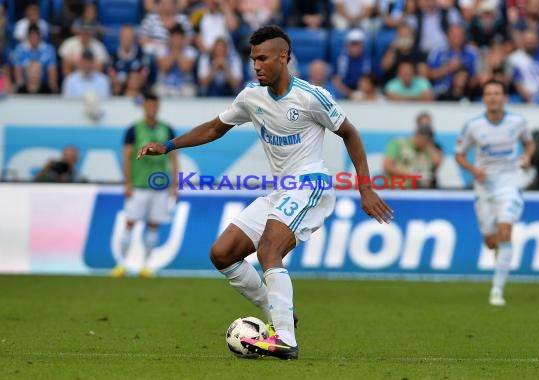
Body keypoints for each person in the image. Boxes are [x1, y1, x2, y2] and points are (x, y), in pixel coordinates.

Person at [136, 25, 393, 360]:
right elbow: (215, 128)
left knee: (269, 248)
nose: (256, 65)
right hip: (281, 190)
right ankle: (279, 313)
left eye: (263, 58)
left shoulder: (311, 96)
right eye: (252, 59)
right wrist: (169, 145)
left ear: (283, 58)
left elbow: (350, 134)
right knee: (223, 253)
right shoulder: (250, 97)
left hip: (311, 184)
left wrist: (366, 189)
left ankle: (285, 337)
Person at [455, 79, 535, 307]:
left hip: (510, 183)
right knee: (491, 241)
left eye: (497, 93)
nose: (492, 97)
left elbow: (529, 143)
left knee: (505, 230)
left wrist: (527, 157)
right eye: (488, 93)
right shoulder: (473, 126)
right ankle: (499, 262)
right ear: (484, 98)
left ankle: (497, 290)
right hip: (485, 188)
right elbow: (459, 154)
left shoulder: (517, 122)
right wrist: (473, 170)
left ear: (504, 98)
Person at [111, 92, 179, 278]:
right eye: (149, 105)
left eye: (155, 105)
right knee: (130, 222)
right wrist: (127, 183)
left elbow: (174, 158)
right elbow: (126, 157)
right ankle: (121, 265)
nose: (152, 108)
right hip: (139, 185)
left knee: (154, 225)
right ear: (144, 107)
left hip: (160, 186)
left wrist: (175, 184)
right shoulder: (133, 130)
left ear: (158, 107)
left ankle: (146, 266)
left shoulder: (167, 130)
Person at [383, 114, 442, 189]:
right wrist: (411, 175)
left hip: (417, 192)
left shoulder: (427, 149)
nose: (425, 141)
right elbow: (387, 166)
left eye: (428, 139)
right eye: (424, 138)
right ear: (417, 135)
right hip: (396, 190)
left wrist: (429, 145)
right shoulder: (398, 144)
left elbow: (436, 163)